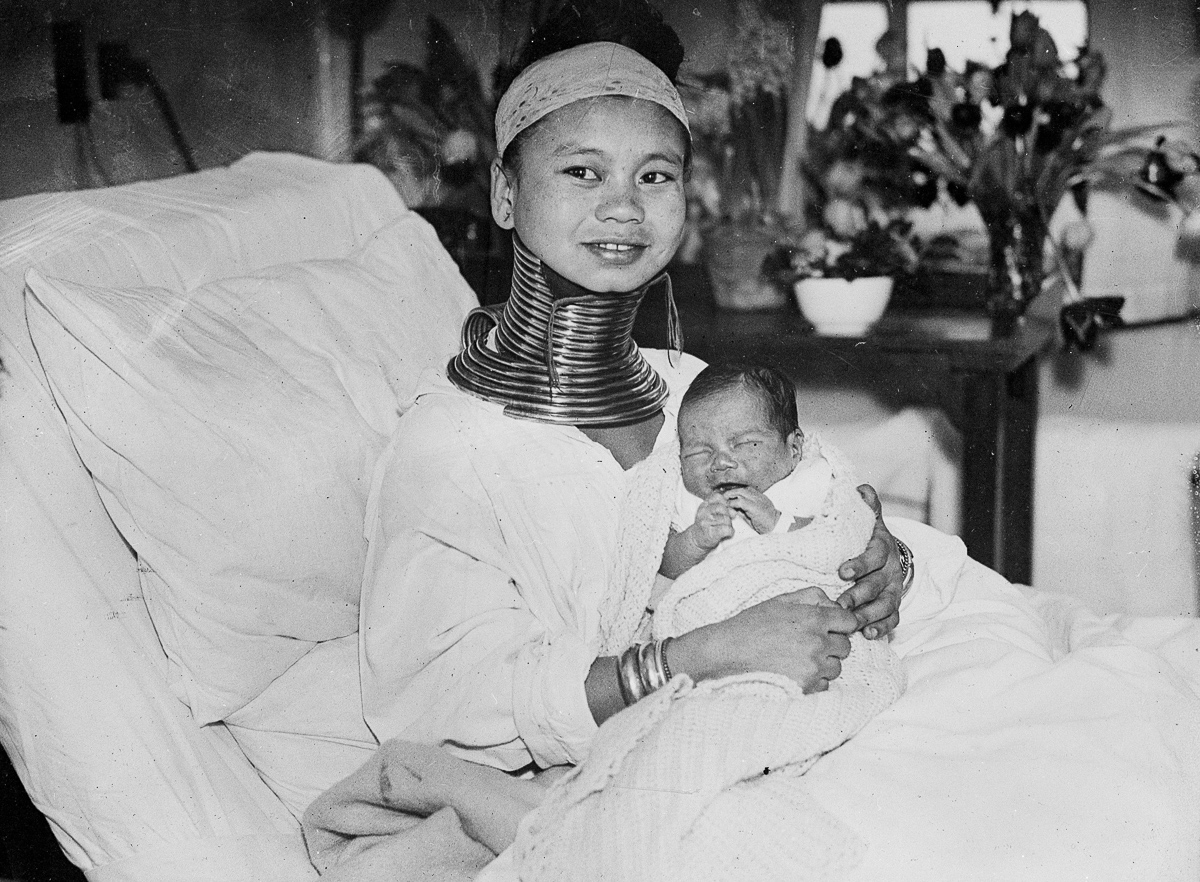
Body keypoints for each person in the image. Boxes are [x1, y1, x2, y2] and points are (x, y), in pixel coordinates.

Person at [357, 0, 910, 776]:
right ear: (504, 193)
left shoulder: (690, 387)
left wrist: (879, 558)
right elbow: (441, 710)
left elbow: (806, 497)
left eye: (655, 175)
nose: (623, 206)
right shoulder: (453, 443)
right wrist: (704, 655)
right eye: (582, 171)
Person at [661, 362, 839, 579]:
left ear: (793, 448)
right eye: (699, 452)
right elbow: (660, 565)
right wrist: (695, 540)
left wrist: (778, 522)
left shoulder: (810, 480)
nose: (721, 462)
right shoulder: (684, 498)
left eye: (745, 444)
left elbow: (841, 544)